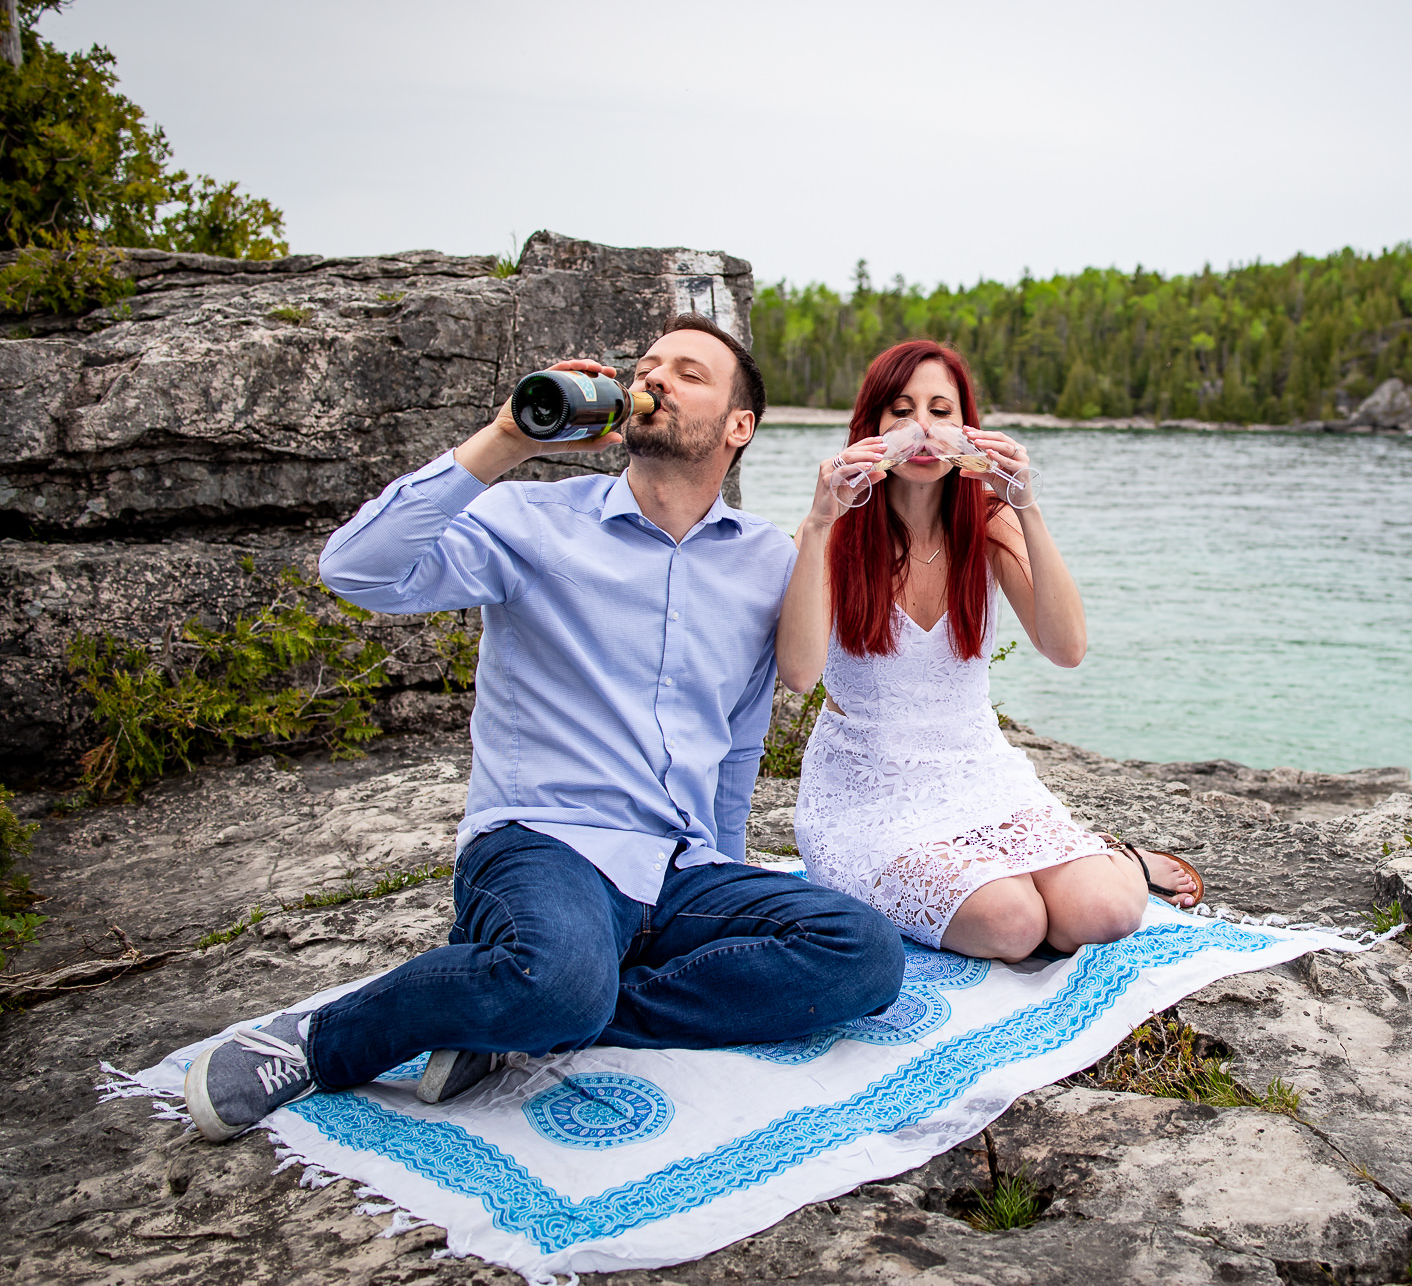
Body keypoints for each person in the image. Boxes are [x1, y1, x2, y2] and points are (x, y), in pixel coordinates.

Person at [182, 314, 906, 1143]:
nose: (657, 379)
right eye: (648, 365)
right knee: (556, 979)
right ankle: (321, 1038)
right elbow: (356, 570)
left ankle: (523, 1013)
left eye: (689, 372)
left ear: (739, 426)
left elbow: (738, 739)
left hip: (675, 867)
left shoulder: (766, 559)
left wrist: (723, 865)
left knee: (862, 950)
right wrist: (505, 441)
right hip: (543, 844)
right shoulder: (532, 521)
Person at [778, 340, 1202, 966]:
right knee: (1013, 923)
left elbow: (1067, 648)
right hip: (871, 793)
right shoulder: (835, 529)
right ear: (869, 430)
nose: (921, 430)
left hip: (976, 772)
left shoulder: (990, 521)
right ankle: (1015, 878)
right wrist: (817, 524)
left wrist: (1026, 504)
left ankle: (1120, 859)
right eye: (900, 412)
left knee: (1105, 911)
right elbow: (798, 672)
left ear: (966, 427)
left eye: (940, 411)